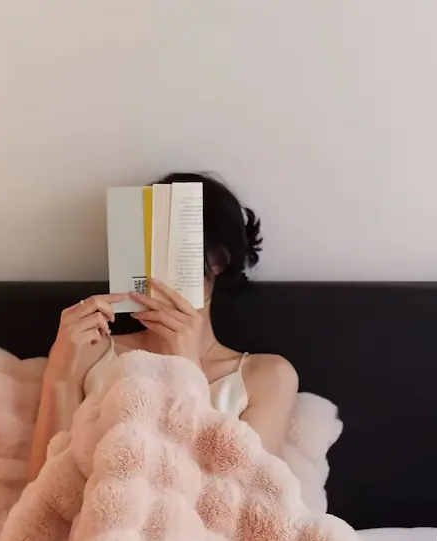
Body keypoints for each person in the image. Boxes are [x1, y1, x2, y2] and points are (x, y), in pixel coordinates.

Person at [28, 172, 298, 481]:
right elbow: (44, 495)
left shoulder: (267, 377)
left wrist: (186, 372)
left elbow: (239, 500)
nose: (153, 267)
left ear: (218, 261)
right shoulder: (92, 353)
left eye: (169, 248)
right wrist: (59, 375)